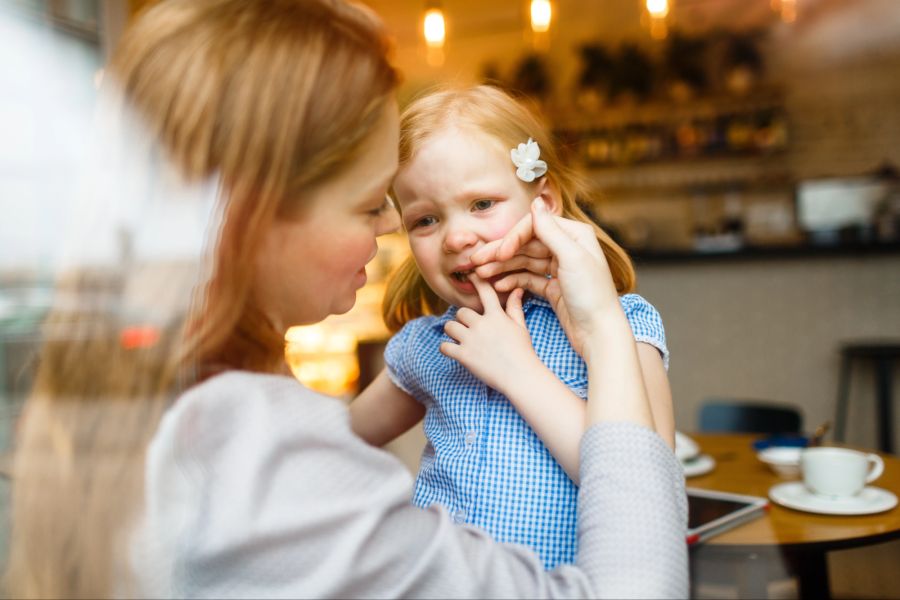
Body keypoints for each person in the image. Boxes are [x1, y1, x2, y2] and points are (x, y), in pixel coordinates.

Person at [4, 1, 687, 598]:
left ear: (542, 201)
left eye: (481, 203)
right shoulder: (270, 457)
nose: (393, 227)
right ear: (255, 215)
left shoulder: (154, 414)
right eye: (374, 205)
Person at [349, 85, 675, 569]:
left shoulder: (621, 325)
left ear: (544, 202)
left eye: (481, 204)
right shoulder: (427, 345)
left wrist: (518, 372)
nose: (457, 237)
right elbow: (340, 440)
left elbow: (651, 484)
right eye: (426, 220)